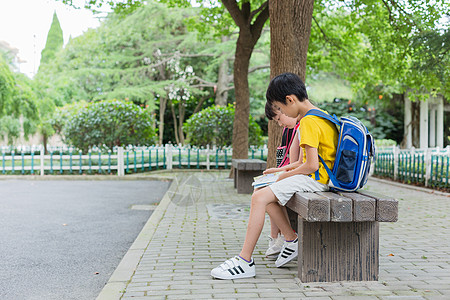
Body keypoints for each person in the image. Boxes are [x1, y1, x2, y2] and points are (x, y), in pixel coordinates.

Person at [211, 72, 339, 280]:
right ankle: (290, 238)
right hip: (321, 178)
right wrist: (280, 171)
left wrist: (284, 176)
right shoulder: (321, 115)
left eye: (281, 108)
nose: (282, 112)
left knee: (258, 198)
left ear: (290, 100)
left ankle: (245, 261)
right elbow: (308, 161)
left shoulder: (307, 121)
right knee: (262, 189)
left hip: (317, 180)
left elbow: (312, 165)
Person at [263, 102, 300, 259]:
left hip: (302, 177)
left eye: (279, 118)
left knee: (265, 194)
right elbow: (285, 161)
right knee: (264, 188)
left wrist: (278, 174)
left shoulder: (302, 128)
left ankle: (288, 237)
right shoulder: (288, 130)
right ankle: (277, 238)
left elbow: (298, 163)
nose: (280, 123)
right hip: (290, 173)